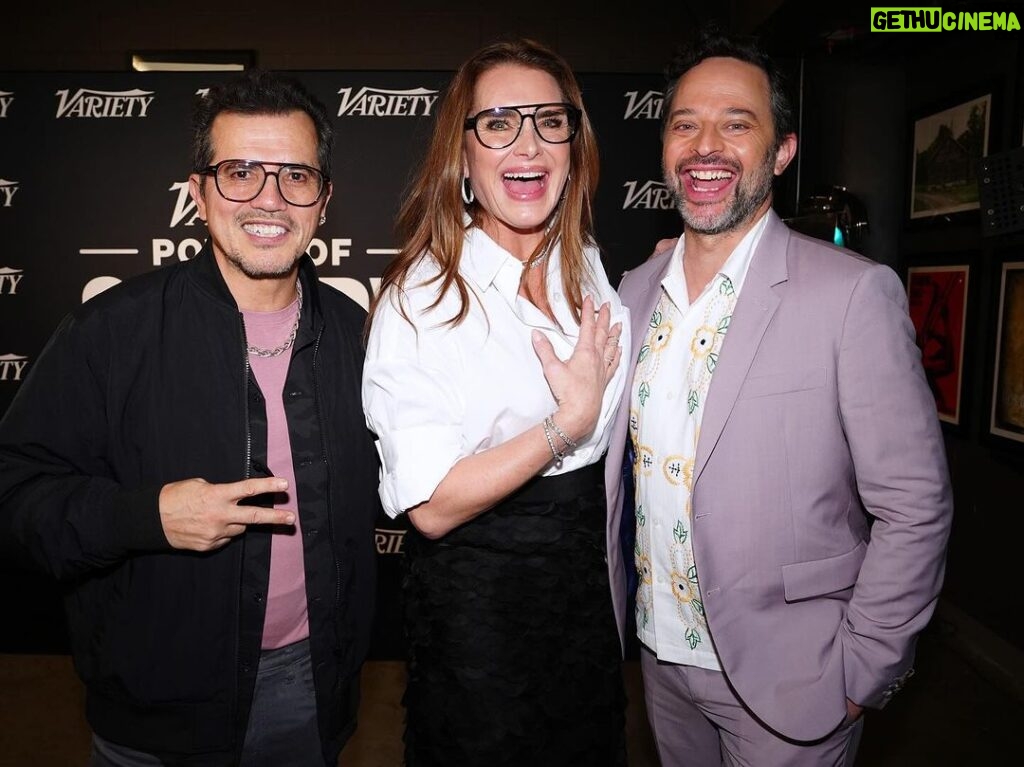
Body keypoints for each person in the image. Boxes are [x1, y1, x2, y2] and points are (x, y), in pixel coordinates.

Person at [0, 70, 379, 766]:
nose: (269, 198)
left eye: (296, 175)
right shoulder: (108, 332)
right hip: (156, 709)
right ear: (198, 194)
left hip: (311, 690)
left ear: (324, 200)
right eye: (240, 172)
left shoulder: (366, 337)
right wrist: (146, 517)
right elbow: (15, 493)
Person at [602, 27, 954, 766]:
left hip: (797, 678)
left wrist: (864, 668)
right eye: (686, 124)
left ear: (782, 151)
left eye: (737, 124)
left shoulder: (852, 294)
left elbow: (915, 502)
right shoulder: (632, 294)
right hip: (660, 663)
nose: (706, 146)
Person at [362, 38, 629, 766]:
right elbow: (432, 505)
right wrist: (562, 426)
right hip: (477, 631)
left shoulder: (594, 276)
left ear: (574, 145)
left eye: (550, 121)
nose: (528, 142)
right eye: (499, 122)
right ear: (464, 154)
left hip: (586, 621)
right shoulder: (421, 302)